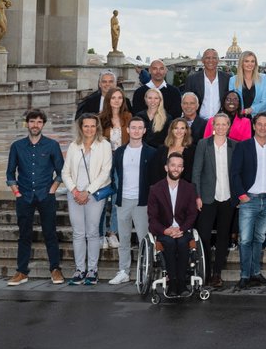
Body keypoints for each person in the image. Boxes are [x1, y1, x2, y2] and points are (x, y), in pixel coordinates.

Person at [6, 109, 65, 287]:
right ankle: (21, 271)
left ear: (43, 125)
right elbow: (10, 172)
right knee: (24, 235)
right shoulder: (17, 146)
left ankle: (55, 269)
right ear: (27, 123)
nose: (35, 125)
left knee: (50, 233)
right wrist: (17, 193)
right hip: (24, 195)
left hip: (45, 195)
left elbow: (61, 171)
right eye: (32, 121)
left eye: (39, 122)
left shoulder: (52, 145)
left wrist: (52, 189)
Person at [231, 112, 266, 289]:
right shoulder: (243, 146)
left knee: (259, 238)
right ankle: (245, 275)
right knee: (245, 239)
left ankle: (255, 273)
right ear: (254, 126)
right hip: (249, 200)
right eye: (259, 124)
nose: (262, 127)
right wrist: (242, 195)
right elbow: (235, 173)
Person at [61, 113, 112, 285]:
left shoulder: (104, 145)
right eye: (86, 126)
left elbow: (105, 172)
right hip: (75, 194)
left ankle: (92, 270)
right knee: (78, 233)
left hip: (95, 195)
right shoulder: (74, 146)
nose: (89, 129)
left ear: (97, 127)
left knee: (92, 232)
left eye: (92, 126)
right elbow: (65, 172)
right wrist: (75, 191)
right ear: (80, 127)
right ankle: (79, 269)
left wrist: (87, 192)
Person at [192, 111, 237, 288]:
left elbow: (237, 173)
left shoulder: (235, 145)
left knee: (223, 236)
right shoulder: (203, 144)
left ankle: (217, 273)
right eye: (217, 124)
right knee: (203, 236)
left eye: (223, 124)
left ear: (228, 126)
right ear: (212, 126)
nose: (220, 127)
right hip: (208, 197)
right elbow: (196, 172)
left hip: (227, 196)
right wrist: (197, 196)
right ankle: (205, 271)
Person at [108, 117, 155, 285]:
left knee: (144, 238)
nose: (136, 130)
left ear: (144, 131)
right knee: (124, 238)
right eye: (133, 127)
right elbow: (114, 175)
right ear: (127, 130)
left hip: (142, 201)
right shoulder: (120, 151)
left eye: (139, 128)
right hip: (123, 200)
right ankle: (123, 271)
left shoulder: (151, 152)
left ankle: (145, 271)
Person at [146, 153, 199, 297]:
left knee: (182, 242)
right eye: (173, 165)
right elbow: (152, 218)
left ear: (182, 169)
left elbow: (192, 214)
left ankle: (181, 283)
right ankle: (172, 283)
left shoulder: (189, 188)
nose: (176, 169)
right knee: (169, 243)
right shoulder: (155, 189)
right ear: (166, 167)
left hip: (182, 230)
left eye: (179, 166)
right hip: (164, 231)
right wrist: (166, 231)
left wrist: (181, 229)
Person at [182, 48, 231, 121]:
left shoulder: (227, 79)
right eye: (207, 58)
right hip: (199, 122)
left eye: (214, 58)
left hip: (220, 123)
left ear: (218, 60)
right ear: (202, 60)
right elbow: (186, 102)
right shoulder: (192, 79)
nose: (211, 60)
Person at [154, 117, 196, 185]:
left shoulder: (192, 150)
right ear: (172, 130)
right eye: (176, 128)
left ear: (186, 130)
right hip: (163, 187)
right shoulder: (162, 149)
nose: (179, 131)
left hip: (183, 188)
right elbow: (156, 170)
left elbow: (191, 172)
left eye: (182, 128)